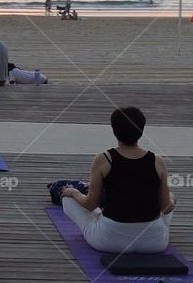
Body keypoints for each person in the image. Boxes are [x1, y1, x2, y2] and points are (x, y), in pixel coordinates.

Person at [60, 107, 175, 254]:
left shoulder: (103, 159)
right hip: (154, 243)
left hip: (109, 241)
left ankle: (96, 217)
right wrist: (171, 199)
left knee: (68, 200)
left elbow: (90, 204)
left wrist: (73, 192)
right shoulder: (158, 161)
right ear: (142, 129)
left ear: (114, 131)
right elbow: (166, 208)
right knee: (170, 198)